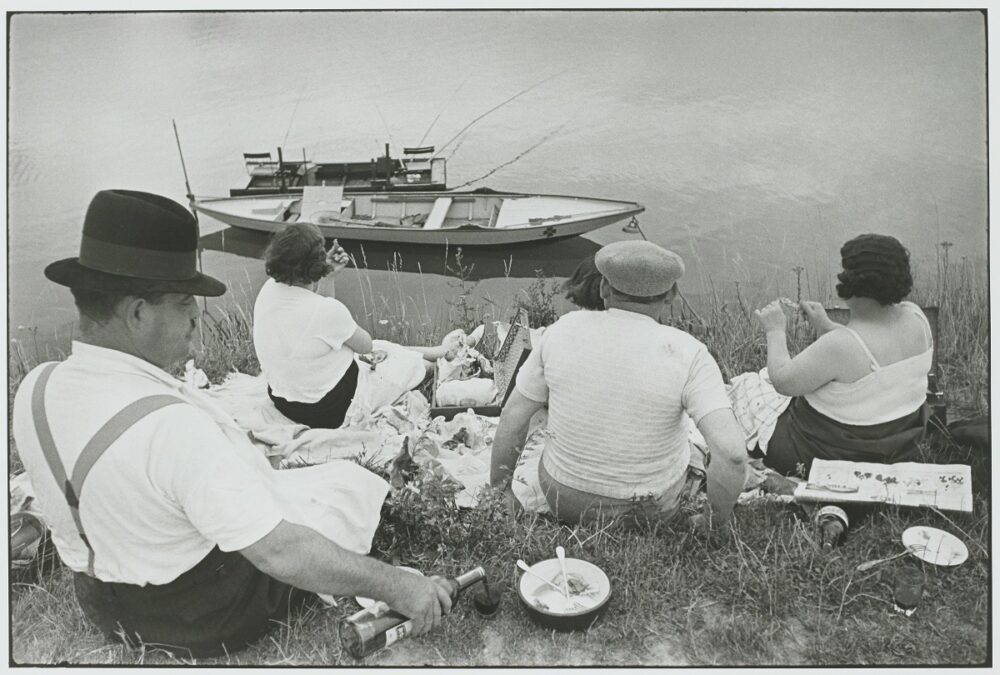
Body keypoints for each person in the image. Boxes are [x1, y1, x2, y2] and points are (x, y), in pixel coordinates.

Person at [12, 190, 453, 657]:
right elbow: (278, 552)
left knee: (305, 487)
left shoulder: (36, 387)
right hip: (198, 614)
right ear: (138, 312)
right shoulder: (172, 428)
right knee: (343, 489)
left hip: (100, 602)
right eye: (185, 303)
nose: (196, 319)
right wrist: (399, 587)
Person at [490, 240, 747, 530]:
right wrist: (715, 520)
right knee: (694, 448)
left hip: (563, 498)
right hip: (650, 510)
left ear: (603, 289)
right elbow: (733, 454)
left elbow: (512, 416)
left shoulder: (562, 330)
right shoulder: (690, 352)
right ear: (671, 295)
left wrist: (501, 492)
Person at [751, 234, 934, 477]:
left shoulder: (840, 346)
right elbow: (868, 352)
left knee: (750, 388)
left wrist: (775, 331)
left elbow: (783, 381)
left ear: (851, 283)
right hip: (900, 439)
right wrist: (825, 325)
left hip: (835, 450)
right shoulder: (916, 318)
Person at [252, 223, 456, 429]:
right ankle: (438, 360)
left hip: (286, 403)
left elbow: (317, 318)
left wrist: (328, 276)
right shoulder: (327, 311)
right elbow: (365, 346)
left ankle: (438, 350)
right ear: (316, 264)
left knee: (378, 347)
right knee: (394, 358)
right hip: (328, 409)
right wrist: (325, 273)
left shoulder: (268, 291)